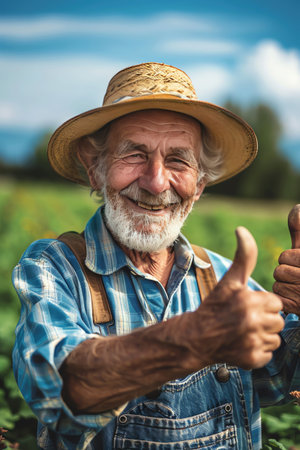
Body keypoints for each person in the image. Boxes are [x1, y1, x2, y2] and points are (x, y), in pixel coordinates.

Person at [12, 62, 300, 450]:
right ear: (95, 168)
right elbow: (62, 390)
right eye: (134, 154)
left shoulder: (222, 275)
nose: (156, 181)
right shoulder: (55, 268)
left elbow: (281, 378)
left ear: (198, 185)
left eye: (179, 160)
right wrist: (195, 337)